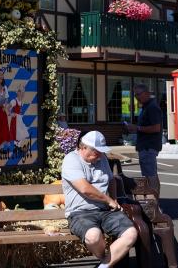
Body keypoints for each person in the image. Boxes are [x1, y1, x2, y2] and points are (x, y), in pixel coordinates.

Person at [61, 131, 138, 268]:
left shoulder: (101, 159)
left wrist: (113, 199)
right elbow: (85, 189)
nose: (100, 155)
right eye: (97, 152)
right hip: (80, 212)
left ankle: (103, 266)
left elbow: (111, 180)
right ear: (83, 147)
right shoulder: (71, 159)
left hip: (105, 210)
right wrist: (109, 200)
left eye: (101, 152)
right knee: (93, 237)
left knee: (131, 233)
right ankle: (105, 260)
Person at [123, 84, 162, 194]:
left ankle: (154, 204)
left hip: (148, 146)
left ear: (147, 93)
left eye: (139, 94)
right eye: (135, 95)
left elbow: (156, 128)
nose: (137, 97)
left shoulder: (152, 107)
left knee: (150, 176)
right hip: (146, 146)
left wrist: (137, 128)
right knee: (150, 175)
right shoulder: (146, 107)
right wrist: (135, 129)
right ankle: (155, 202)